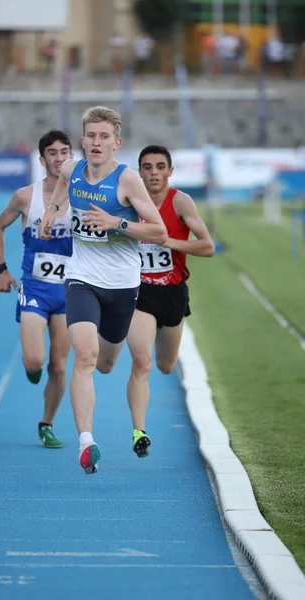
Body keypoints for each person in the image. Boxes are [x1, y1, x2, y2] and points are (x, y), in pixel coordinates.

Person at [39, 106, 167, 474]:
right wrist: (52, 210)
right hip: (81, 278)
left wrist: (116, 222)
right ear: (82, 141)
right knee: (85, 356)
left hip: (123, 285)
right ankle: (86, 442)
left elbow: (159, 232)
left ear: (116, 143)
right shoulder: (71, 168)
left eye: (104, 137)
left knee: (108, 363)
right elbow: (61, 184)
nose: (96, 143)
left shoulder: (127, 181)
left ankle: (95, 426)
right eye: (91, 136)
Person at [127, 145, 214, 458]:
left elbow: (207, 246)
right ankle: (139, 431)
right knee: (142, 362)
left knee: (165, 366)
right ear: (139, 171)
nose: (153, 172)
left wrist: (166, 241)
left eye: (160, 166)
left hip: (173, 292)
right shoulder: (129, 201)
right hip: (140, 293)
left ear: (170, 171)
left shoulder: (180, 201)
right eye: (147, 167)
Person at [0, 130, 73, 449]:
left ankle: (47, 423)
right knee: (35, 362)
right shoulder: (26, 196)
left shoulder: (83, 197)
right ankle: (32, 368)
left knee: (59, 365)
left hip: (70, 292)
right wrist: (1, 269)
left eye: (64, 151)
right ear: (42, 160)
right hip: (35, 290)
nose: (59, 157)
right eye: (52, 153)